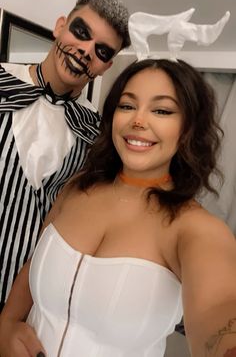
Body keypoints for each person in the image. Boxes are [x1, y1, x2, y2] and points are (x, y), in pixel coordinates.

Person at [1, 58, 236, 357]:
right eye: (127, 105)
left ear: (189, 128)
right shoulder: (76, 187)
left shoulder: (196, 230)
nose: (138, 120)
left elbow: (220, 309)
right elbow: (33, 263)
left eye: (161, 110)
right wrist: (6, 323)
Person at [0, 0, 130, 311]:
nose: (85, 50)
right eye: (81, 32)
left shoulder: (97, 134)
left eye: (101, 50)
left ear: (106, 66)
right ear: (60, 26)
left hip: (29, 304)